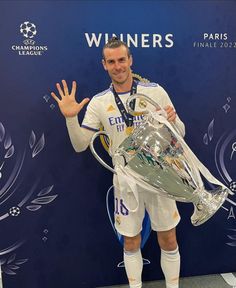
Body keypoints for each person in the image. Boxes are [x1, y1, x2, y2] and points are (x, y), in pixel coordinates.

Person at [51, 37, 185, 288]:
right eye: (111, 61)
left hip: (161, 176)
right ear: (104, 65)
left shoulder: (154, 92)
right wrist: (71, 118)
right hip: (125, 181)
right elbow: (81, 144)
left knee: (168, 239)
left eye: (122, 60)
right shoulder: (100, 102)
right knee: (131, 241)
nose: (118, 66)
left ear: (130, 60)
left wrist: (173, 122)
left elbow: (181, 133)